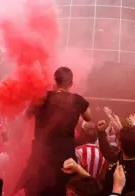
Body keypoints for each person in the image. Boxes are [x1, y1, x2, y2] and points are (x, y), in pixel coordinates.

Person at [22, 66, 92, 196]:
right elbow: (89, 117)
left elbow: (26, 116)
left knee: (37, 187)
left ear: (55, 81)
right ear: (71, 83)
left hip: (41, 152)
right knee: (63, 189)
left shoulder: (41, 97)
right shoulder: (77, 100)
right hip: (64, 154)